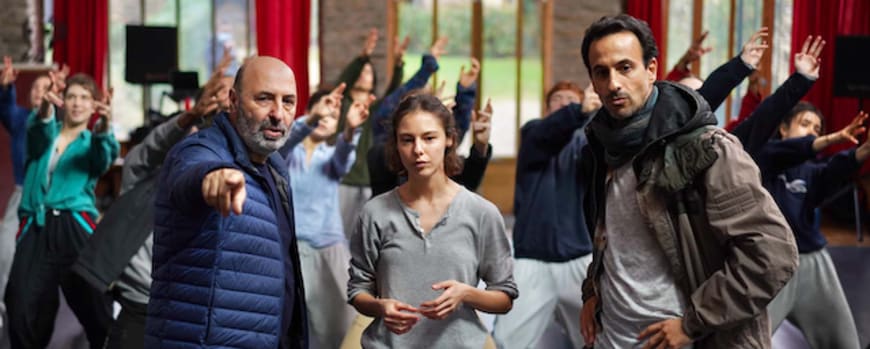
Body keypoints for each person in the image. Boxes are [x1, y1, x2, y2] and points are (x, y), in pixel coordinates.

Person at [577, 15, 797, 348]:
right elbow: (609, 238)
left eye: (625, 67)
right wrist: (593, 290)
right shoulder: (600, 149)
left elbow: (773, 253)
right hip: (612, 336)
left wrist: (694, 322)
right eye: (601, 72)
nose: (613, 83)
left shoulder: (707, 148)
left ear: (651, 70)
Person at [71, 53, 234, 349]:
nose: (224, 97)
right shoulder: (177, 146)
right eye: (220, 91)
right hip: (141, 303)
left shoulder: (240, 160)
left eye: (232, 92)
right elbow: (138, 160)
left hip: (197, 305)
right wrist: (190, 115)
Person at [146, 56, 307, 348]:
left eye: (288, 102)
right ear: (233, 100)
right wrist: (213, 177)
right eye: (264, 99)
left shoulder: (275, 167)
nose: (278, 114)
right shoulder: (199, 150)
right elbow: (191, 172)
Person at [347, 93, 517, 348]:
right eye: (407, 140)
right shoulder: (375, 212)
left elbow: (504, 297)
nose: (418, 150)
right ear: (396, 144)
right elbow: (358, 289)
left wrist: (466, 294)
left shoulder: (481, 213)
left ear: (449, 139)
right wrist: (379, 306)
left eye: (429, 138)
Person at [5, 72, 119, 349]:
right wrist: (45, 106)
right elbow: (37, 129)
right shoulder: (45, 134)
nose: (77, 103)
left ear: (93, 106)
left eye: (84, 98)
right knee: (20, 303)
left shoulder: (92, 142)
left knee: (95, 301)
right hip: (37, 225)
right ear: (63, 102)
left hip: (74, 224)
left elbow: (105, 154)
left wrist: (105, 123)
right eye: (71, 97)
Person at [490, 81, 600, 349]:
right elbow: (547, 132)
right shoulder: (533, 134)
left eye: (571, 99)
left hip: (580, 258)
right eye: (558, 99)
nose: (565, 103)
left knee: (597, 337)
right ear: (547, 107)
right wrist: (578, 109)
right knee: (507, 340)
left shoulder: (588, 143)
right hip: (532, 259)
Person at [758, 103, 865, 349]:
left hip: (811, 264)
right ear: (783, 129)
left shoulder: (811, 173)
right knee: (743, 342)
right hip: (769, 266)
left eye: (816, 129)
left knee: (846, 343)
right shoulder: (764, 158)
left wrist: (863, 151)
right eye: (804, 124)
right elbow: (785, 151)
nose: (811, 132)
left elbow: (835, 168)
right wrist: (833, 138)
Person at [277, 85, 371, 349]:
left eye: (333, 117)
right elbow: (286, 141)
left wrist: (351, 129)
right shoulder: (287, 154)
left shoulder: (330, 157)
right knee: (297, 327)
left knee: (340, 326)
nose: (326, 119)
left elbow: (344, 156)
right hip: (291, 250)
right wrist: (313, 118)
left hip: (329, 249)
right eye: (322, 114)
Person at [0, 56, 54, 344]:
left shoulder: (58, 125)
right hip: (21, 195)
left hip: (51, 202)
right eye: (35, 88)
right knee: (5, 251)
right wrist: (6, 88)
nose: (38, 93)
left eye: (45, 88)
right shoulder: (21, 118)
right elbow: (5, 108)